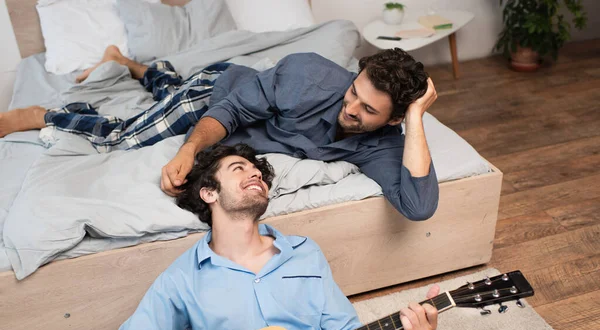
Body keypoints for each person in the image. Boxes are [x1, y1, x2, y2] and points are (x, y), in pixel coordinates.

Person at [95, 144, 443, 330]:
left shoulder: (305, 253)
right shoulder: (182, 278)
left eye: (257, 171)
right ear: (209, 193)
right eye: (239, 169)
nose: (255, 174)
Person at [0, 45, 439, 221]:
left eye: (368, 110)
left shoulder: (385, 143)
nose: (351, 109)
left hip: (236, 103)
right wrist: (189, 150)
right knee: (130, 136)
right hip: (224, 91)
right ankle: (44, 115)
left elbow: (418, 207)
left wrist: (417, 117)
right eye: (353, 93)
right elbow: (229, 110)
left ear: (395, 119)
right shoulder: (310, 76)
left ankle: (133, 65)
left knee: (169, 96)